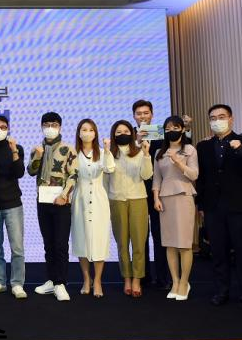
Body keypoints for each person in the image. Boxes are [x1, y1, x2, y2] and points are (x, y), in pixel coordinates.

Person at [196, 104, 242, 309]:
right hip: (213, 207)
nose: (217, 121)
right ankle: (222, 291)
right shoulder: (203, 146)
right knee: (218, 252)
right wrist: (201, 205)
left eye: (221, 116)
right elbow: (202, 178)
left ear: (231, 119)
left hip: (241, 206)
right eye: (213, 118)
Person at [28, 112, 78, 301]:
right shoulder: (37, 148)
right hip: (42, 201)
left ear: (60, 127)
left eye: (54, 124)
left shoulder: (68, 149)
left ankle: (61, 283)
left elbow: (74, 175)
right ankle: (51, 280)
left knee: (60, 244)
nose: (50, 128)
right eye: (47, 124)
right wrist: (37, 156)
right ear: (42, 127)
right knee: (48, 243)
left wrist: (64, 195)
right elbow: (31, 171)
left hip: (61, 202)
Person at [152, 116, 199, 301]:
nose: (172, 130)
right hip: (165, 199)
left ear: (182, 129)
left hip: (184, 196)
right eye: (168, 128)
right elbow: (157, 178)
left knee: (184, 244)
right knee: (170, 243)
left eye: (175, 127)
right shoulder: (159, 152)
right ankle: (175, 281)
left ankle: (184, 282)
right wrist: (156, 198)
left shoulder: (189, 149)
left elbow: (194, 174)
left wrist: (178, 162)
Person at [106, 119, 152, 298]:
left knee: (139, 242)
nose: (122, 134)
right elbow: (106, 176)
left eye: (125, 131)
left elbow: (146, 175)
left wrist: (146, 155)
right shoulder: (109, 153)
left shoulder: (139, 151)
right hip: (116, 200)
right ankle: (126, 277)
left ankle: (137, 279)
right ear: (113, 135)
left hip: (138, 199)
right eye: (118, 132)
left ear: (132, 134)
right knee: (122, 243)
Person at [0, 115, 27, 299]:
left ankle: (17, 283)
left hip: (13, 204)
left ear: (8, 128)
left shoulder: (16, 148)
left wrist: (14, 151)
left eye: (3, 127)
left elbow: (19, 172)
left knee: (17, 247)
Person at [71, 119, 114, 298]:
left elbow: (109, 168)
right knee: (81, 240)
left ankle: (97, 280)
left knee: (99, 240)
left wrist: (108, 150)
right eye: (84, 129)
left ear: (95, 133)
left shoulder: (103, 152)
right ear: (79, 133)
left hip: (98, 200)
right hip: (79, 199)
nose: (87, 133)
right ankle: (86, 279)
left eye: (90, 130)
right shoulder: (73, 153)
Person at [132, 100, 169, 288]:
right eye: (139, 113)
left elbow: (176, 146)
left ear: (152, 114)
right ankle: (142, 275)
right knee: (140, 235)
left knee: (159, 233)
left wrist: (187, 131)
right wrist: (137, 141)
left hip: (157, 190)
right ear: (134, 116)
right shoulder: (128, 133)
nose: (143, 116)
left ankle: (163, 277)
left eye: (146, 113)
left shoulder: (159, 132)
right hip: (135, 189)